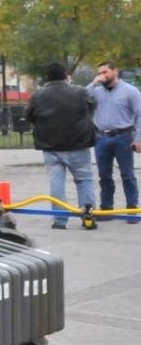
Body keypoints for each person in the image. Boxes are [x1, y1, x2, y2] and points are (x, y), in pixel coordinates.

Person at [25, 62, 97, 229]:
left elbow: (29, 115)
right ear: (65, 75)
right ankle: (88, 218)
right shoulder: (80, 92)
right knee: (84, 180)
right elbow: (93, 105)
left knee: (56, 183)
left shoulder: (38, 95)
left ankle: (59, 221)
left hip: (50, 146)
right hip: (78, 144)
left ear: (47, 77)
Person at [86, 61, 141, 224]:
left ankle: (132, 209)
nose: (102, 75)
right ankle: (106, 209)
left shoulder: (130, 91)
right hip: (101, 138)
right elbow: (81, 97)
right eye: (99, 73)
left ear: (115, 71)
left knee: (127, 175)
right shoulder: (96, 91)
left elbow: (139, 115)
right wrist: (94, 83)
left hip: (123, 136)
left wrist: (139, 138)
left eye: (105, 72)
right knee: (104, 176)